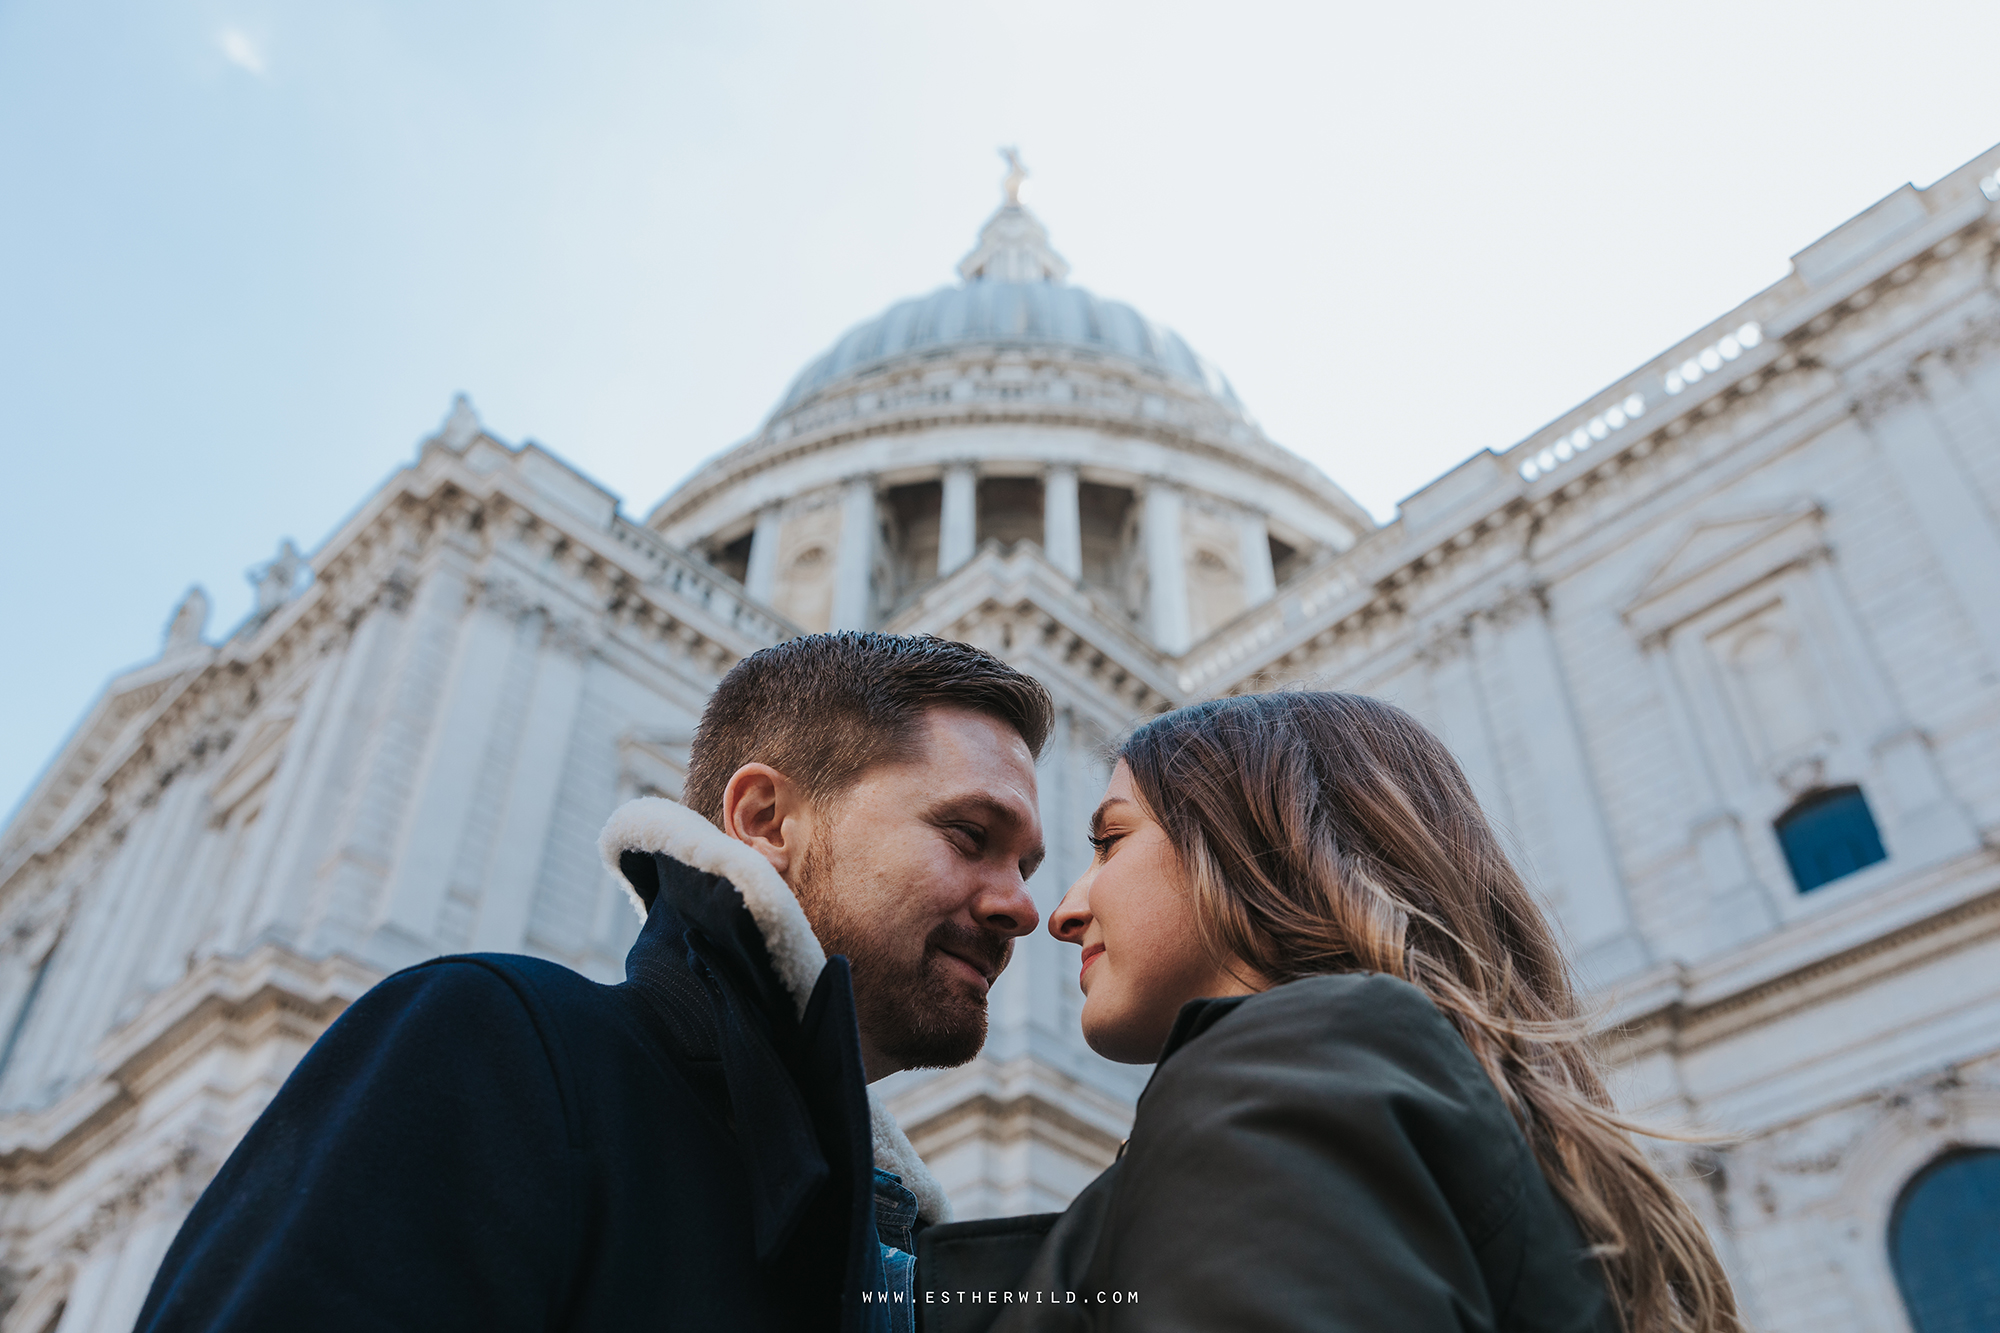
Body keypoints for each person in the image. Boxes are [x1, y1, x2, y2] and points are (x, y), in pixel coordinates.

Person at [136, 631, 1052, 1333]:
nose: (1025, 908)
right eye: (970, 836)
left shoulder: (890, 1240)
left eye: (1029, 865)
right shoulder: (492, 1048)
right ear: (765, 817)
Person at [966, 691, 1739, 1333]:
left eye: (1110, 840)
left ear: (1256, 844)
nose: (1060, 910)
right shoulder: (1374, 1085)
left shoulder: (1280, 1064)